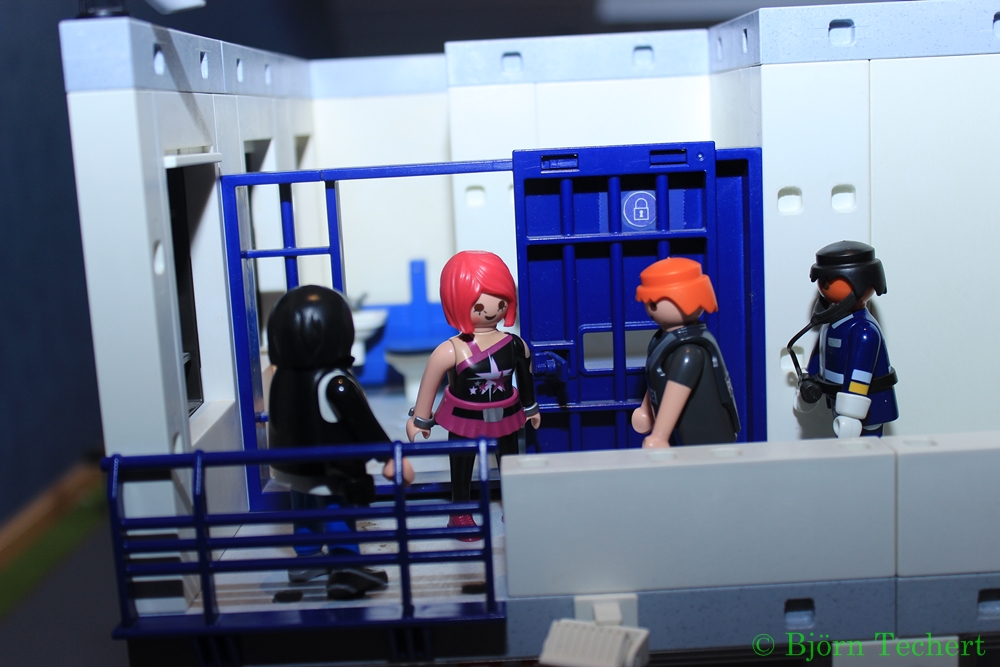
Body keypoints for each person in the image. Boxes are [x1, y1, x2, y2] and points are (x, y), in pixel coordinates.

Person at [267, 285, 413, 599]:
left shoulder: (283, 378)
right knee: (336, 510)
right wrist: (390, 456)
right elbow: (364, 425)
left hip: (292, 467)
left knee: (304, 509)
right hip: (329, 468)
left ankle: (306, 560)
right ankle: (346, 569)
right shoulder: (335, 382)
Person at [405, 251, 539, 537]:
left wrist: (531, 408)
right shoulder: (451, 349)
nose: (491, 311)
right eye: (478, 306)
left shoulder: (515, 345)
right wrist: (421, 419)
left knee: (510, 462)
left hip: (506, 414)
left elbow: (525, 378)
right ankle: (460, 512)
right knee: (462, 464)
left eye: (500, 302)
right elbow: (430, 384)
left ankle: (514, 505)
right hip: (464, 418)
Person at [793, 241, 898, 437]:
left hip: (866, 407)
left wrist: (851, 412)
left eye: (832, 280)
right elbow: (819, 356)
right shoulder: (830, 324)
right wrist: (808, 382)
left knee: (869, 446)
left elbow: (860, 374)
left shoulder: (863, 331)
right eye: (822, 280)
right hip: (838, 399)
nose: (825, 285)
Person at [631, 257, 740, 447]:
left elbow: (676, 392)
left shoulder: (689, 353)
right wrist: (646, 410)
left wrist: (660, 435)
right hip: (687, 434)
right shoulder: (666, 340)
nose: (649, 307)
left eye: (653, 302)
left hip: (707, 437)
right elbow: (657, 376)